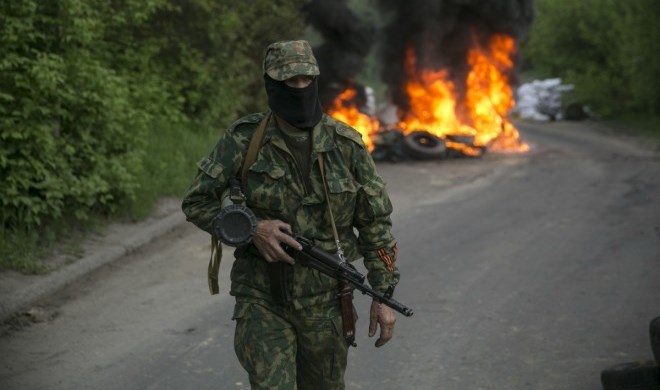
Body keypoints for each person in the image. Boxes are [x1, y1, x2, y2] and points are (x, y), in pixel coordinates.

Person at [181, 40, 400, 390]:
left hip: (327, 304)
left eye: (305, 80)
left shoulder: (346, 145)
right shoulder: (244, 140)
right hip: (262, 299)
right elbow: (197, 202)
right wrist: (252, 228)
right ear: (271, 85)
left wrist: (383, 295)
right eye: (289, 82)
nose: (299, 89)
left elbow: (376, 226)